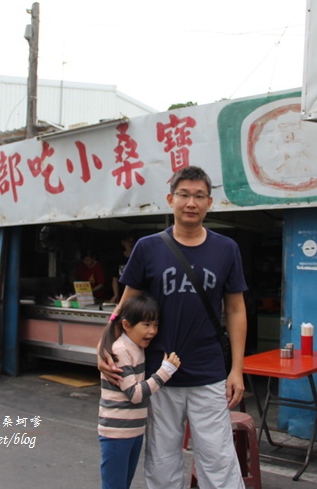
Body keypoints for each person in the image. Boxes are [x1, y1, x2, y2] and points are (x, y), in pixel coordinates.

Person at [98, 165, 248, 489]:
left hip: (209, 371)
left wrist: (237, 369)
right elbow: (124, 305)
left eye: (199, 196)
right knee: (162, 459)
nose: (191, 202)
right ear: (171, 199)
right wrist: (103, 348)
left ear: (210, 202)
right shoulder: (148, 247)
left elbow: (235, 309)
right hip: (157, 374)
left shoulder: (226, 249)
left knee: (218, 458)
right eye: (184, 195)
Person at [97, 295, 181, 489]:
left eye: (156, 325)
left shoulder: (136, 347)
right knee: (115, 485)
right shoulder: (120, 351)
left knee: (123, 483)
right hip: (116, 432)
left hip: (133, 431)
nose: (152, 331)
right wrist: (165, 372)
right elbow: (134, 394)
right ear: (126, 325)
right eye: (146, 325)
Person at [109, 234, 136, 304]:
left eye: (132, 242)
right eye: (128, 242)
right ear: (123, 243)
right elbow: (115, 278)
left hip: (135, 294)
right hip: (122, 293)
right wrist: (116, 294)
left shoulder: (138, 257)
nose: (130, 244)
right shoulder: (118, 258)